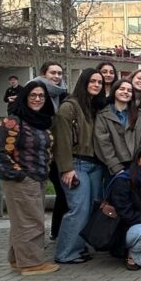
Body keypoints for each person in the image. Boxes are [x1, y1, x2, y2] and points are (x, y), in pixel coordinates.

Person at [0, 80, 58, 276]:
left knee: (21, 221)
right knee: (32, 221)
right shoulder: (13, 121)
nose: (37, 99)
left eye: (41, 96)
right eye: (33, 95)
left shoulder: (40, 120)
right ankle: (31, 264)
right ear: (24, 97)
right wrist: (18, 174)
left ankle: (17, 259)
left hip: (37, 177)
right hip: (22, 179)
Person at [52, 69, 107, 264]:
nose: (96, 85)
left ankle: (79, 247)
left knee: (91, 208)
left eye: (99, 83)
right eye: (92, 81)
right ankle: (65, 253)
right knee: (78, 209)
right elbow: (62, 140)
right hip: (76, 164)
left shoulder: (96, 107)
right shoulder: (69, 107)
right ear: (83, 82)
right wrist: (66, 168)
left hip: (95, 165)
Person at [94, 79, 141, 176]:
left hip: (139, 168)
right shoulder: (103, 115)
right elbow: (103, 144)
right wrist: (116, 168)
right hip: (112, 169)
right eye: (122, 89)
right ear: (114, 91)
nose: (125, 92)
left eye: (129, 90)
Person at [34, 61, 68, 239]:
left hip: (57, 153)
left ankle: (56, 232)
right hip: (40, 154)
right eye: (53, 73)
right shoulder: (36, 92)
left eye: (59, 73)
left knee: (63, 194)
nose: (56, 76)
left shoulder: (63, 94)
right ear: (43, 73)